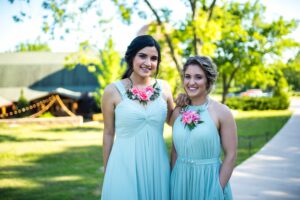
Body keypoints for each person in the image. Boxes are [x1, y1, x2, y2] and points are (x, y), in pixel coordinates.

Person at [101, 35, 174, 200]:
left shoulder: (164, 88)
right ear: (131, 57)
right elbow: (108, 133)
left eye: (154, 58)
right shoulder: (112, 91)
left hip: (157, 164)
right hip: (124, 165)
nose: (148, 63)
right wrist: (108, 172)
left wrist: (185, 104)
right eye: (143, 56)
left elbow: (172, 120)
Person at [170, 56, 237, 200]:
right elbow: (175, 151)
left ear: (208, 81)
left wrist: (217, 189)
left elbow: (231, 155)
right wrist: (172, 183)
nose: (191, 82)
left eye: (198, 77)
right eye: (187, 77)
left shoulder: (222, 112)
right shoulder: (178, 111)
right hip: (180, 181)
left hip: (209, 182)